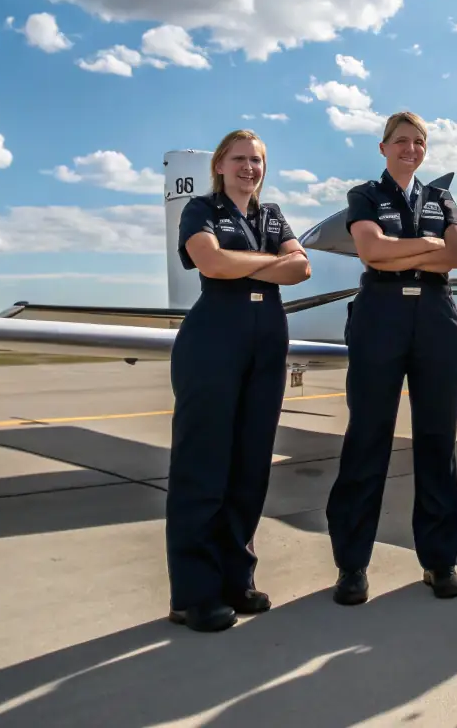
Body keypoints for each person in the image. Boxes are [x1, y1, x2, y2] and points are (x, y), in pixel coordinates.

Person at [166, 129, 312, 632]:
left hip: (267, 346)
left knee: (250, 469)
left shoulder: (271, 215)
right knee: (203, 468)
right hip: (214, 341)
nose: (250, 167)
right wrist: (273, 262)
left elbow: (303, 270)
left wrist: (247, 266)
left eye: (257, 160)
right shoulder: (200, 209)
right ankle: (193, 594)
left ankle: (236, 578)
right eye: (239, 159)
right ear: (220, 165)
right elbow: (211, 262)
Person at [325, 111, 457, 604]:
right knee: (367, 437)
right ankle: (352, 565)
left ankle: (439, 560)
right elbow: (370, 251)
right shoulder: (365, 195)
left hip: (435, 315)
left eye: (419, 142)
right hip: (380, 313)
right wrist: (426, 246)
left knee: (437, 440)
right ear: (384, 147)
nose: (411, 149)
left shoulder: (440, 197)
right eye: (401, 141)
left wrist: (403, 251)